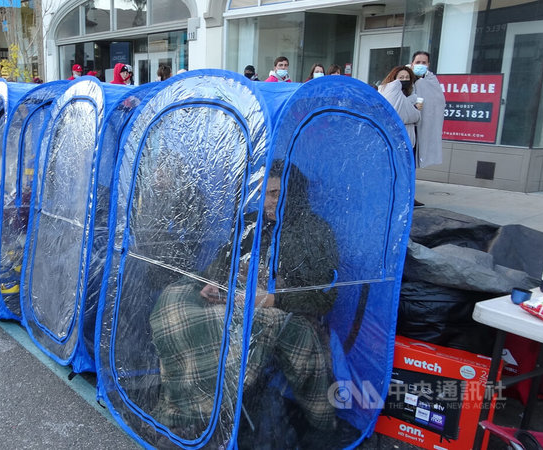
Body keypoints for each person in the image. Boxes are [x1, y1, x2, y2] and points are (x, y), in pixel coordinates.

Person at [149, 161, 339, 443]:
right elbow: (222, 262)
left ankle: (195, 417)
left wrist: (272, 298)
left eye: (275, 193)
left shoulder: (315, 232)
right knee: (174, 298)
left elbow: (324, 297)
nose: (268, 201)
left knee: (215, 326)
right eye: (264, 193)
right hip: (235, 297)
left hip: (281, 312)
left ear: (294, 192)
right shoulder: (252, 222)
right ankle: (184, 402)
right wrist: (213, 282)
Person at [410, 51, 445, 170]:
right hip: (407, 126)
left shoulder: (432, 80)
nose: (421, 65)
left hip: (423, 125)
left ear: (428, 64)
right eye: (418, 62)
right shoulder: (404, 77)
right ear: (412, 63)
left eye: (424, 62)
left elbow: (438, 102)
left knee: (414, 161)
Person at [378, 66, 422, 150]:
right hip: (392, 140)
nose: (404, 80)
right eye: (401, 77)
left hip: (407, 142)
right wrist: (414, 109)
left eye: (407, 77)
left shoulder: (411, 95)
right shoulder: (389, 92)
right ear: (394, 79)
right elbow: (397, 115)